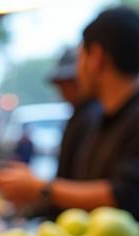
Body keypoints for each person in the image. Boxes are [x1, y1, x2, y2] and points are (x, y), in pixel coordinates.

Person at [0, 7, 139, 236]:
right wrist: (31, 197)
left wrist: (41, 189)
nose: (78, 70)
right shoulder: (96, 120)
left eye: (81, 55)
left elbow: (121, 196)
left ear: (96, 57)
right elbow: (73, 193)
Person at [50, 46, 100, 182]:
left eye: (69, 83)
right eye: (61, 85)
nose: (64, 91)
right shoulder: (78, 115)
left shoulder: (92, 116)